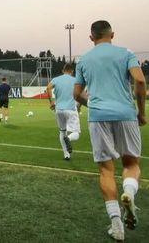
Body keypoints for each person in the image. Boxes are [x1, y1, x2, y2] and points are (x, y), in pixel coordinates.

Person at [73, 20, 146, 241]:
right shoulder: (126, 53)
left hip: (98, 118)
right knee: (131, 164)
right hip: (125, 114)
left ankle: (116, 225)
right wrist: (141, 112)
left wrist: (94, 104)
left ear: (91, 37)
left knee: (106, 170)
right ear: (112, 34)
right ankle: (130, 193)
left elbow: (77, 94)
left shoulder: (84, 59)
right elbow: (140, 82)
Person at [46, 63, 81, 160]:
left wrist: (51, 102)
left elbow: (48, 88)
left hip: (59, 110)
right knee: (76, 133)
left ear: (63, 70)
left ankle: (66, 154)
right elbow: (80, 94)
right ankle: (68, 139)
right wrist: (79, 106)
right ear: (72, 71)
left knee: (62, 131)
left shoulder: (56, 79)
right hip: (70, 109)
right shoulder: (75, 80)